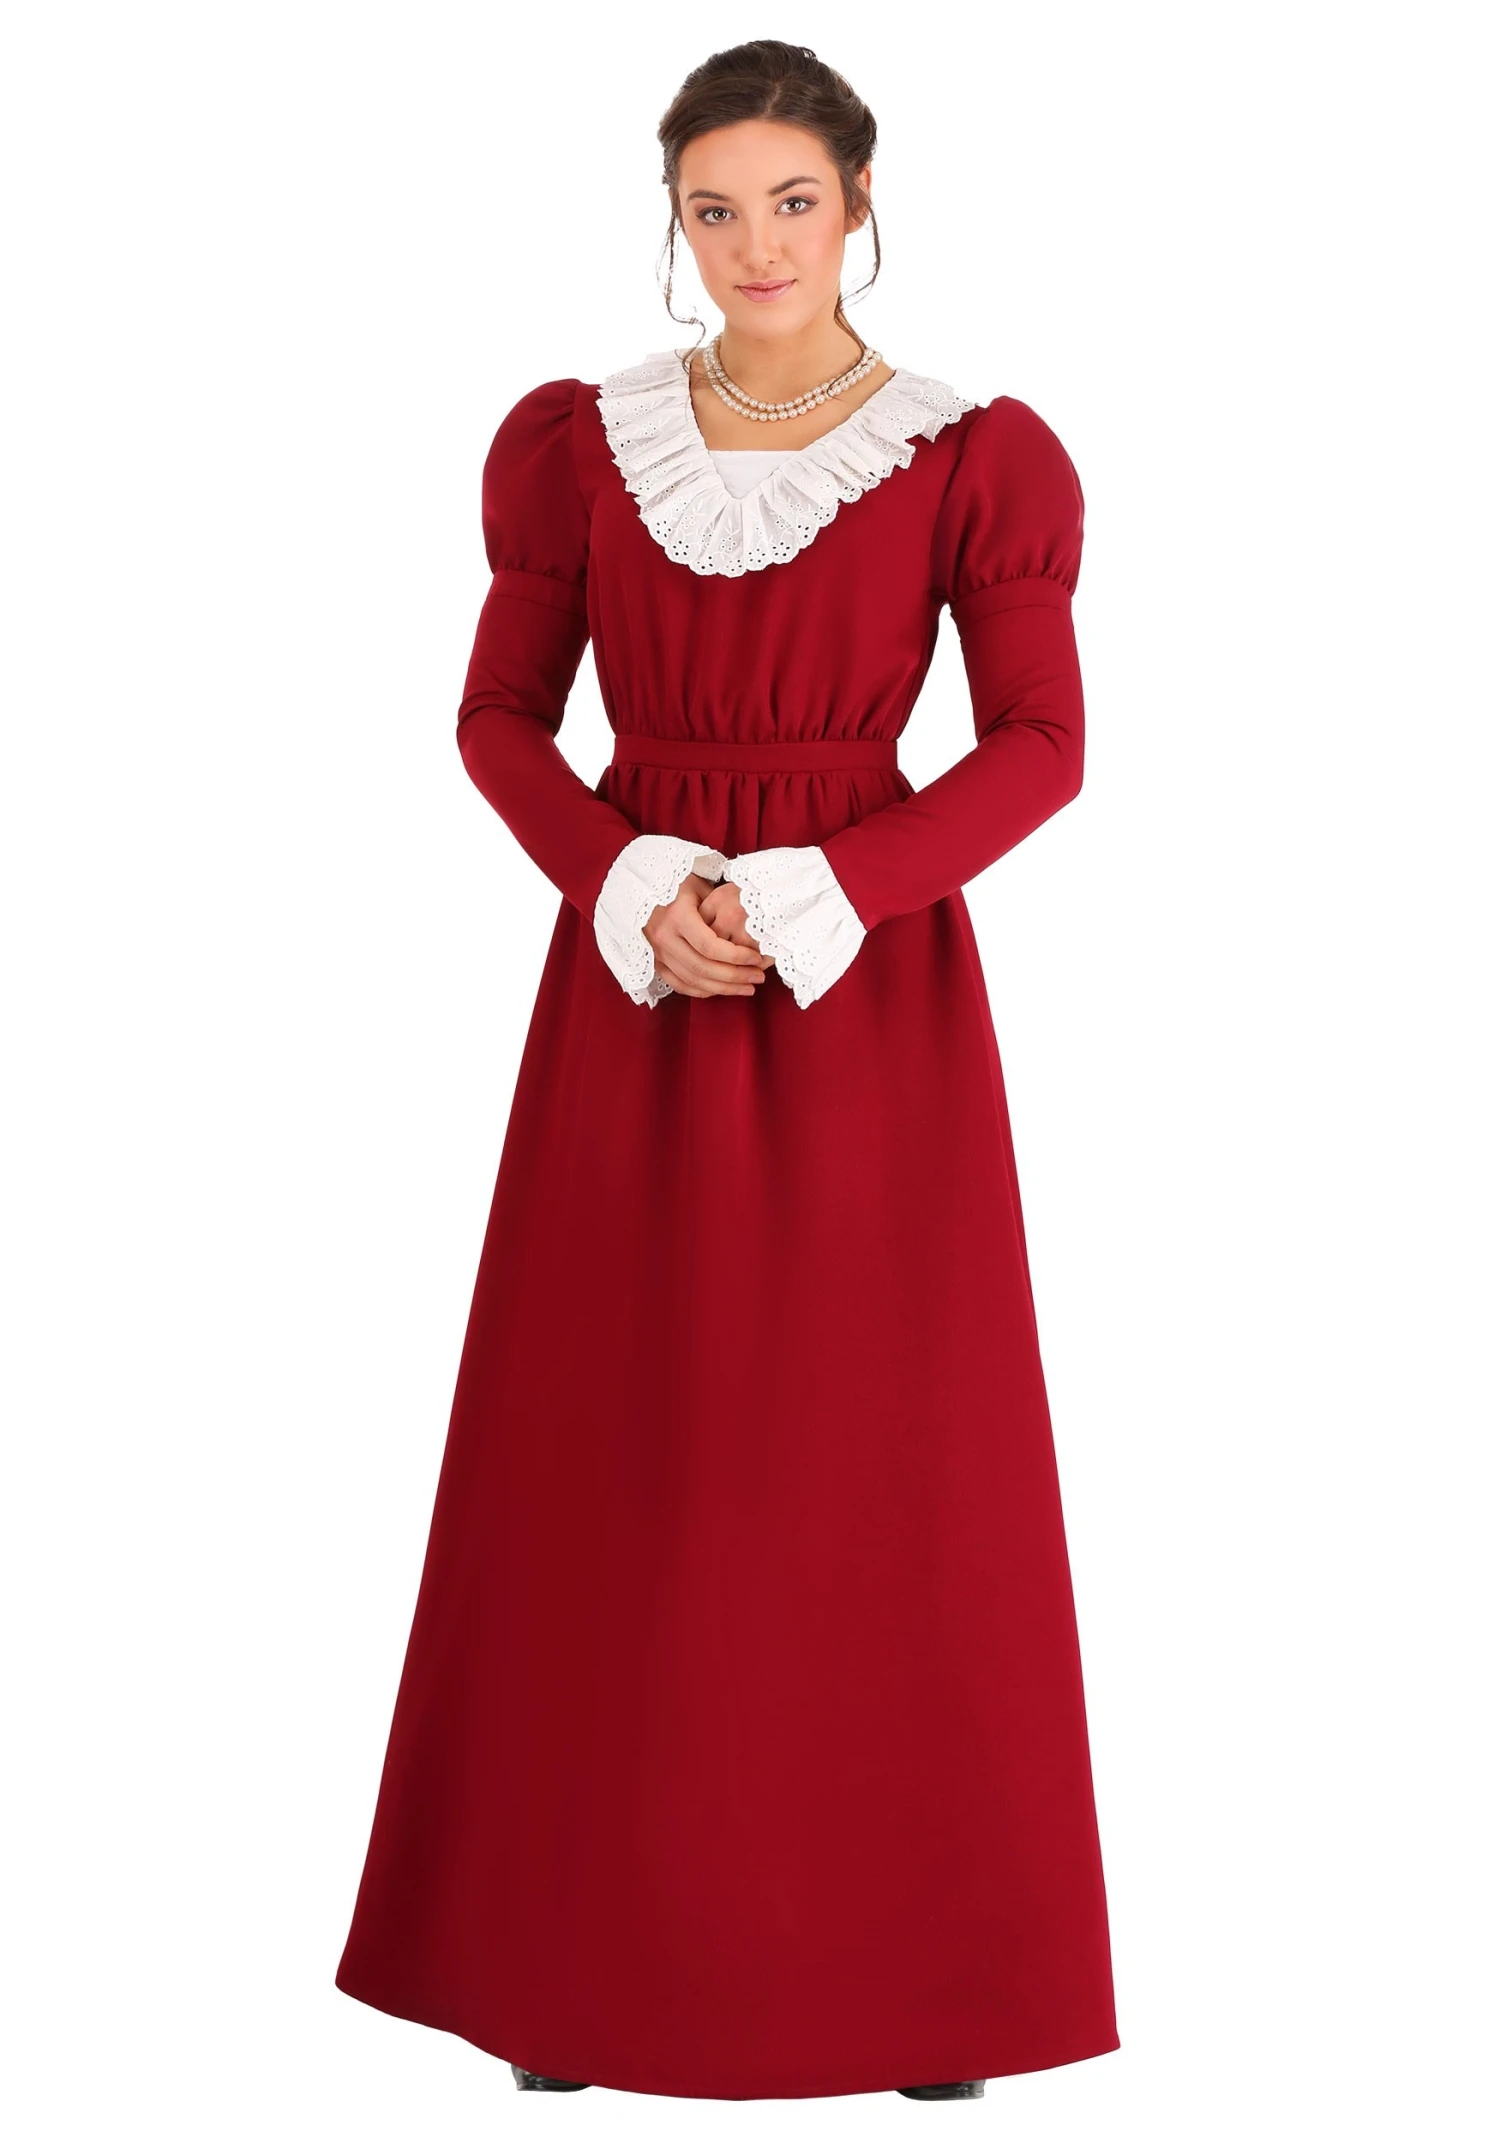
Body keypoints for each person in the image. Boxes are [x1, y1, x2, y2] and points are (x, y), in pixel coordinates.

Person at [335, 37, 1120, 2104]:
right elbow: (501, 719)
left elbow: (1042, 745)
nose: (756, 243)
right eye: (715, 206)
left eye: (792, 201)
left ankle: (926, 2000)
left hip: (865, 1005)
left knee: (875, 1476)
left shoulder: (972, 454)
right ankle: (572, 1976)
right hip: (630, 999)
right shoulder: (580, 445)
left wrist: (822, 890)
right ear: (672, 219)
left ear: (860, 205)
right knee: (609, 1458)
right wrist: (630, 878)